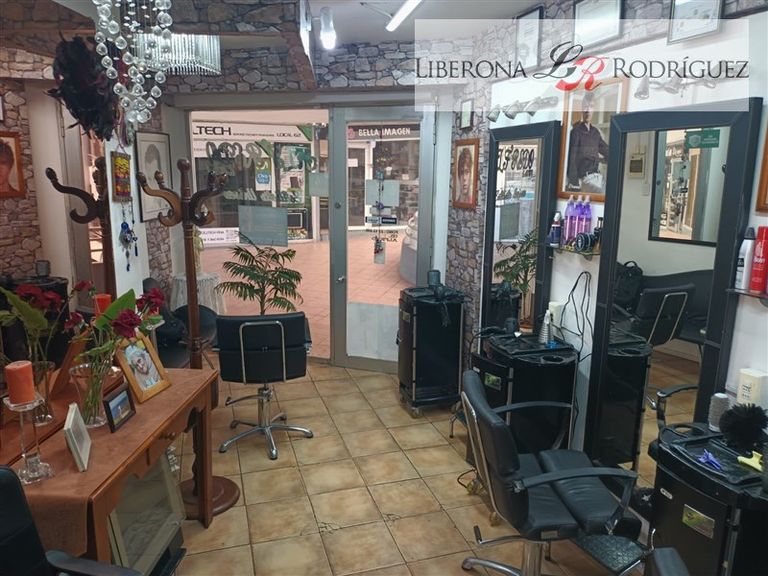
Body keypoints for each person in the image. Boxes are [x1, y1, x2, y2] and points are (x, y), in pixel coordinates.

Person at [566, 92, 609, 192]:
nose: (588, 110)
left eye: (591, 106)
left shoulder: (595, 132)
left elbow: (607, 151)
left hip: (598, 177)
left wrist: (601, 159)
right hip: (585, 178)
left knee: (613, 191)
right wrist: (574, 184)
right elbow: (572, 159)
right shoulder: (576, 132)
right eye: (585, 106)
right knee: (605, 194)